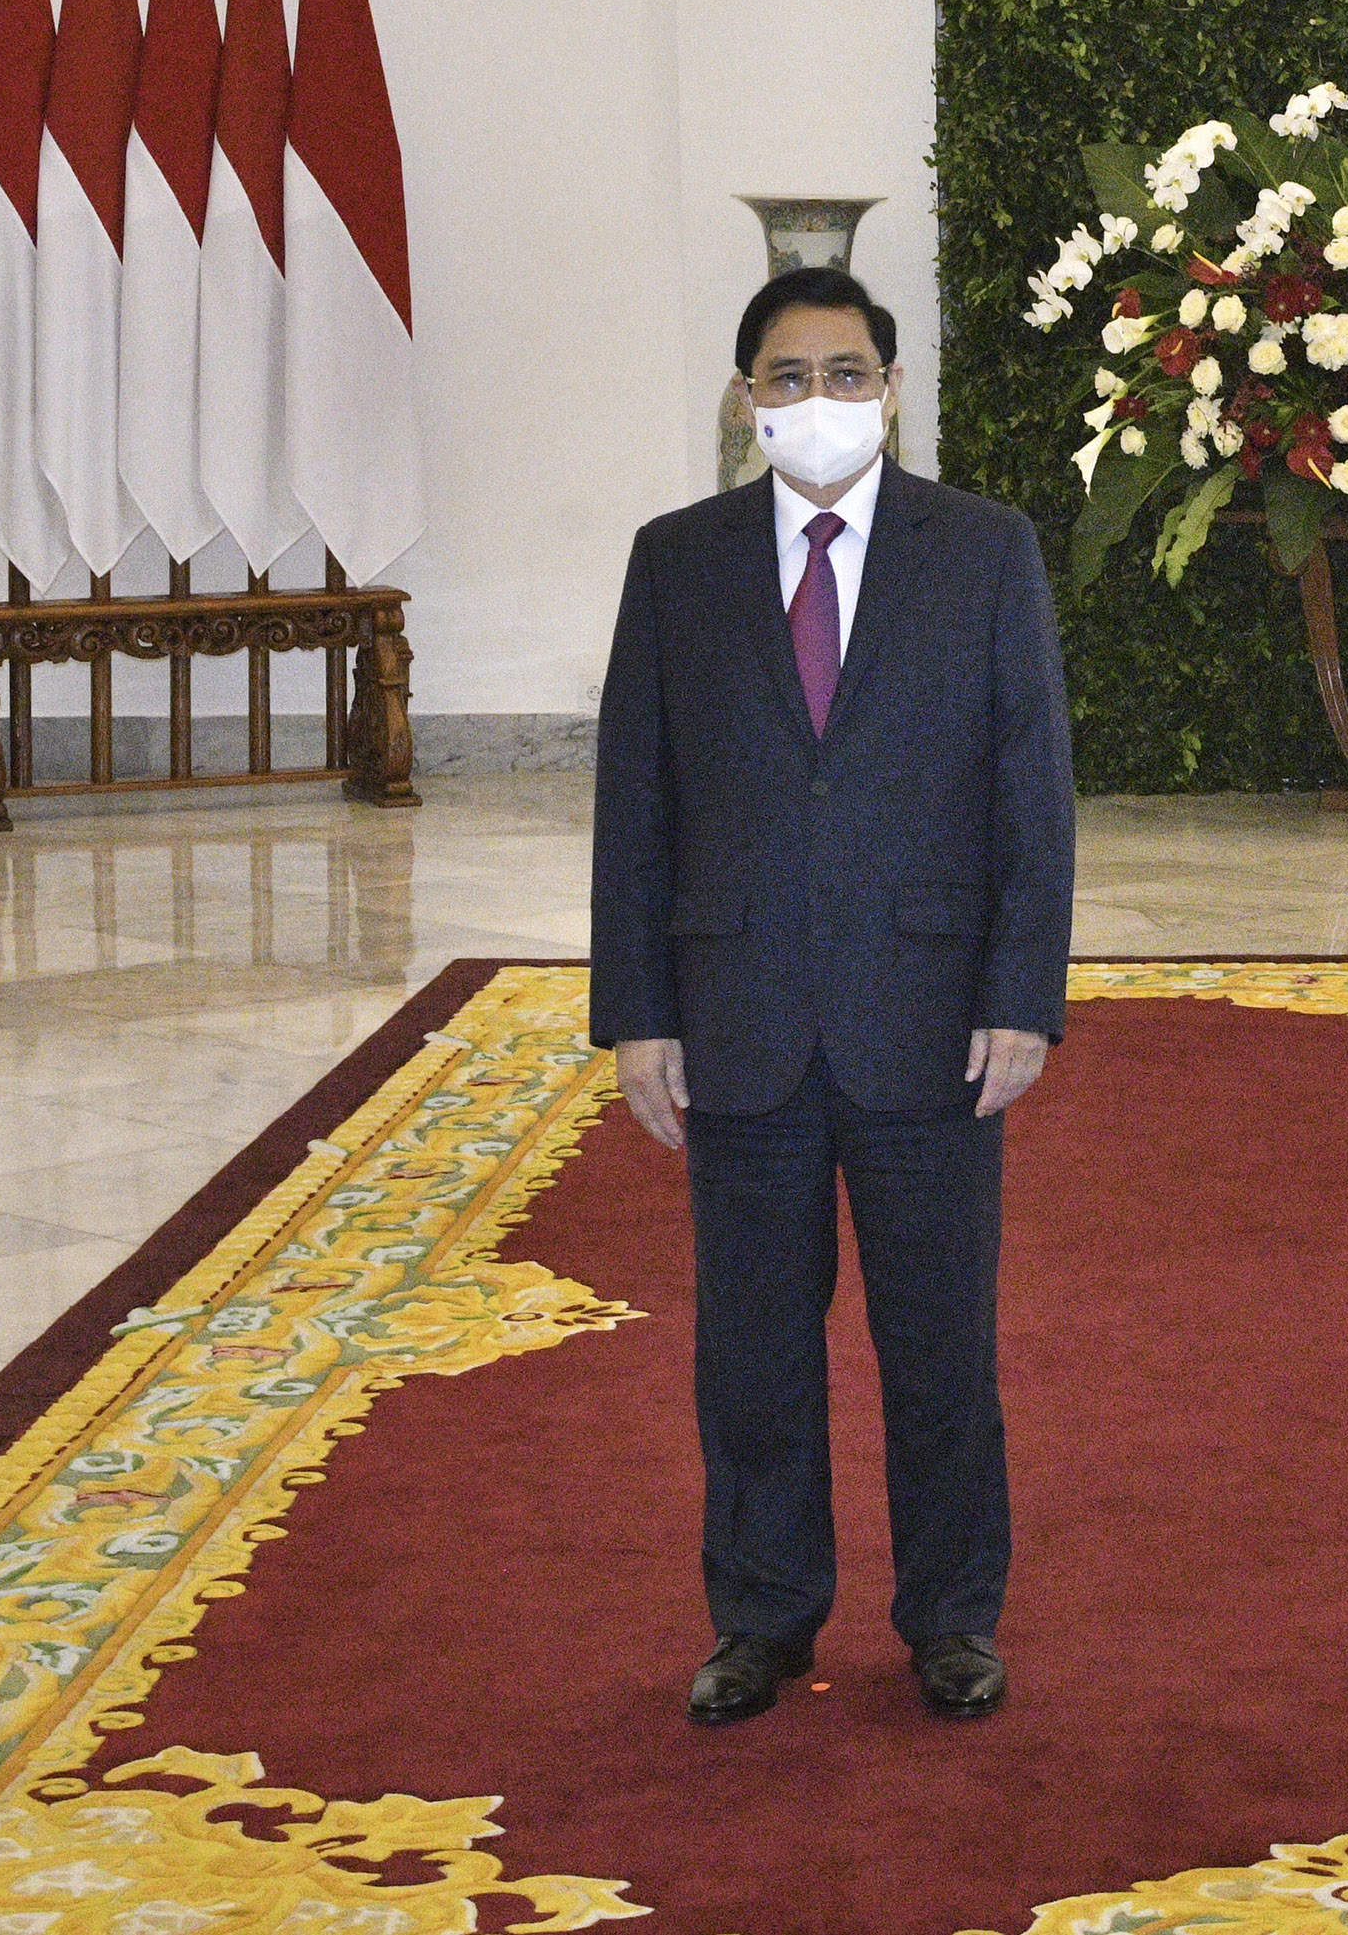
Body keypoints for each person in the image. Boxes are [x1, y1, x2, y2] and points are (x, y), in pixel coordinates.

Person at [591, 265, 1075, 1728]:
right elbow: (638, 800)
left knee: (940, 1344)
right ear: (748, 400)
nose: (821, 401)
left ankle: (948, 1617)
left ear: (893, 387)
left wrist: (1021, 995)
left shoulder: (982, 551)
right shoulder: (676, 562)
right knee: (749, 1351)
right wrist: (639, 1012)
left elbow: (1030, 790)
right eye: (790, 377)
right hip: (738, 1022)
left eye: (849, 372)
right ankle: (760, 1615)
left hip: (929, 1022)